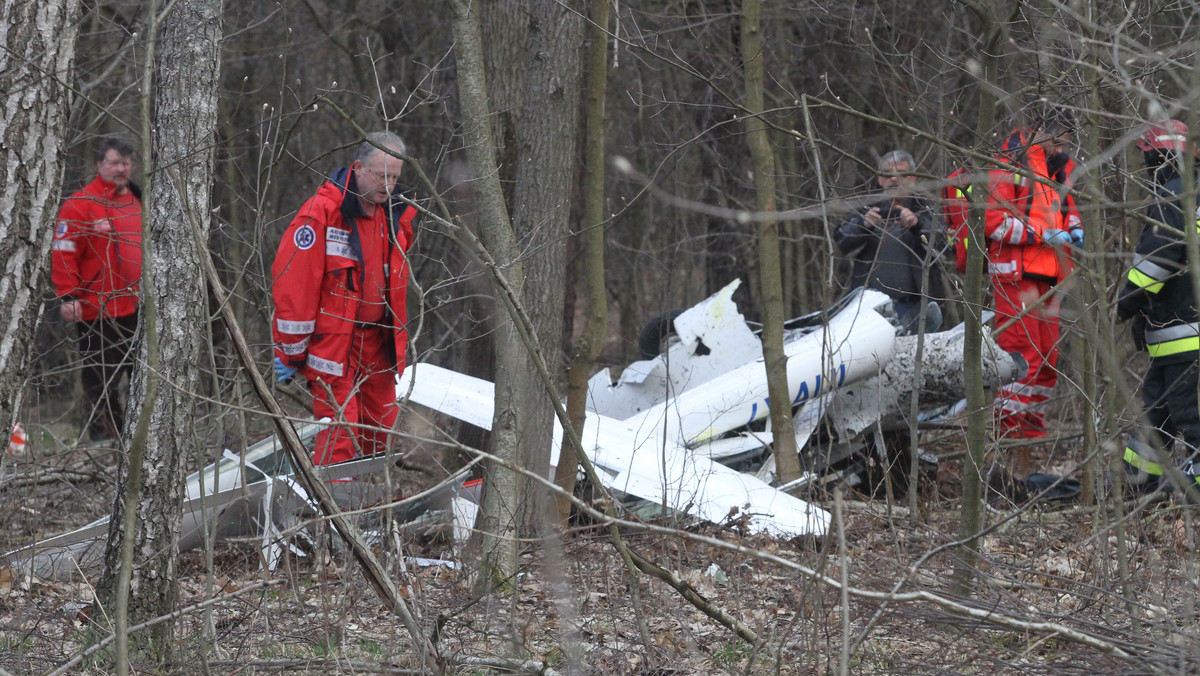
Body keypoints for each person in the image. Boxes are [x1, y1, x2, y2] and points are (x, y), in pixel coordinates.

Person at [271, 132, 419, 466]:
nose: (388, 185)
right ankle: (333, 515)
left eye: (394, 177)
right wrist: (291, 350)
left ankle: (368, 508)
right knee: (341, 433)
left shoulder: (394, 216)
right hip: (334, 345)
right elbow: (294, 286)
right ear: (357, 168)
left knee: (381, 430)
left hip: (377, 343)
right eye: (381, 176)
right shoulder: (321, 214)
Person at [984, 111, 1082, 463]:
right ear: (1038, 132)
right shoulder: (1009, 163)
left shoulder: (1056, 168)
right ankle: (1010, 442)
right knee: (1020, 359)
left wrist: (1073, 227)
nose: (1063, 147)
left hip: (1049, 275)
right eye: (1057, 140)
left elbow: (1063, 210)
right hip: (1016, 275)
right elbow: (995, 223)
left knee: (1047, 360)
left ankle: (1032, 434)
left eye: (1065, 141)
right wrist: (1044, 235)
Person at [1116, 119, 1200, 498]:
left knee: (1189, 417)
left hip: (1184, 337)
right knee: (1156, 415)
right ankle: (1139, 486)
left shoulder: (1173, 197)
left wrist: (1125, 303)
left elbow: (1155, 264)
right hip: (1176, 341)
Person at [51, 137, 143, 443]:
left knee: (142, 376)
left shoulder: (139, 199)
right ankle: (106, 440)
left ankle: (141, 438)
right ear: (99, 165)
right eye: (114, 163)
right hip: (96, 308)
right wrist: (68, 296)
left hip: (139, 306)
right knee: (100, 380)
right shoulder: (79, 205)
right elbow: (64, 252)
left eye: (125, 163)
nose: (121, 169)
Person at [834, 150, 947, 331]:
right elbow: (842, 240)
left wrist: (917, 225)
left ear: (913, 178)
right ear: (880, 179)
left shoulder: (926, 209)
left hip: (916, 307)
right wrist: (864, 225)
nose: (894, 179)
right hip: (870, 309)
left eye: (902, 174)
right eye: (888, 174)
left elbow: (945, 246)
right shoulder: (867, 208)